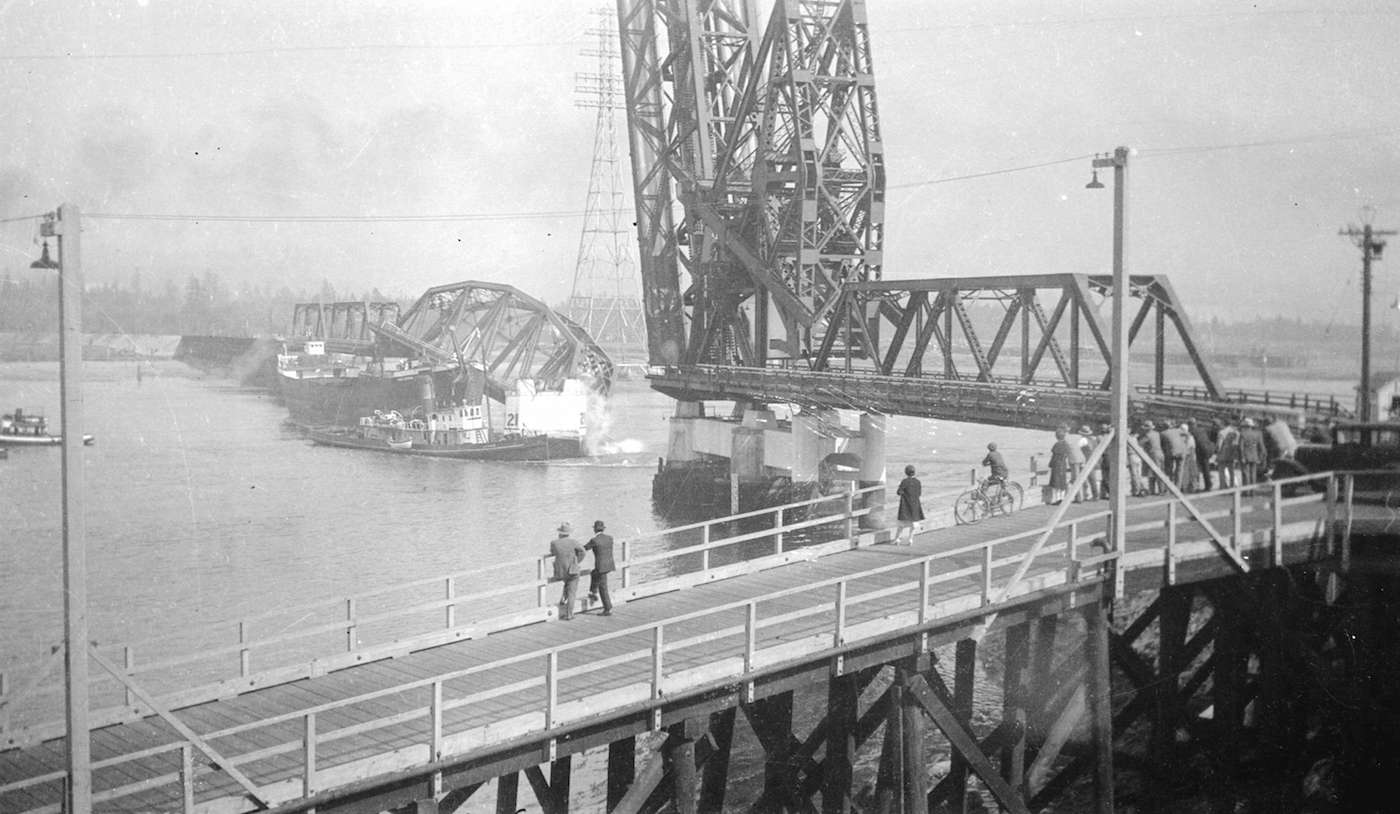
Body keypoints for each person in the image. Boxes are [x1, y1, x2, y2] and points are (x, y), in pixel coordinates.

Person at [548, 522, 586, 620]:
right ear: (568, 533)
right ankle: (569, 614)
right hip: (573, 570)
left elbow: (552, 552)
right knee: (572, 592)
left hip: (560, 572)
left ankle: (562, 601)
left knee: (567, 584)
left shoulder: (554, 543)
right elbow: (583, 551)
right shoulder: (573, 542)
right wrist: (577, 561)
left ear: (559, 533)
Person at [584, 520, 615, 616]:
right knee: (594, 573)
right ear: (603, 529)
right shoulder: (610, 538)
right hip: (609, 564)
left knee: (603, 587)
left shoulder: (594, 540)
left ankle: (607, 608)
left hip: (601, 566)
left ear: (594, 529)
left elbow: (585, 548)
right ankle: (593, 592)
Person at [895, 465, 924, 544]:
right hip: (915, 505)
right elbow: (919, 493)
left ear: (906, 472)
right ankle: (910, 539)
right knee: (914, 524)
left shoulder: (905, 481)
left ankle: (897, 539)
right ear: (914, 472)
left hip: (905, 505)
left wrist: (904, 493)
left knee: (901, 524)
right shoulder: (918, 482)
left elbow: (899, 492)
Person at [1189, 418, 1217, 491]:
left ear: (1191, 425)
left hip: (1202, 451)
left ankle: (1204, 485)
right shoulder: (1202, 429)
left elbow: (1192, 443)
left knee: (1201, 469)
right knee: (1205, 468)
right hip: (1209, 448)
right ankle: (1208, 484)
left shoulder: (1192, 432)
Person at [1048, 428, 1073, 505]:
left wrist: (1050, 464)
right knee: (1062, 482)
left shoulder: (1057, 445)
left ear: (1057, 437)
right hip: (1063, 464)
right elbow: (1068, 455)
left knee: (1055, 483)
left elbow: (1054, 456)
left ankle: (1056, 499)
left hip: (1056, 464)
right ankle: (1062, 498)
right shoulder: (1066, 444)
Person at [1238, 418, 1266, 485]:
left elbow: (1241, 447)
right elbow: (1262, 447)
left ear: (1246, 426)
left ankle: (1246, 492)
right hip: (1255, 456)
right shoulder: (1258, 434)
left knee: (1246, 473)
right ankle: (1252, 491)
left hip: (1246, 456)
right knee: (1253, 473)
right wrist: (1260, 457)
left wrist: (1242, 457)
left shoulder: (1243, 434)